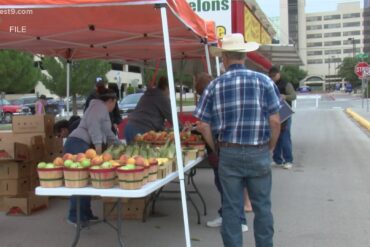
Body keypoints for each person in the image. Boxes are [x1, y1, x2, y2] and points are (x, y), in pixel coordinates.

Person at [194, 33, 281, 247]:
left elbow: (203, 125)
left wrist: (216, 148)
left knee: (231, 209)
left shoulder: (214, 86)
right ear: (244, 54)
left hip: (228, 153)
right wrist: (269, 147)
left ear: (224, 58)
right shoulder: (265, 81)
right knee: (262, 207)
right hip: (258, 150)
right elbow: (276, 121)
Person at [195, 72, 249, 232]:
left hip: (220, 150)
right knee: (230, 186)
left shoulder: (210, 101)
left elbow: (205, 127)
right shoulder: (223, 98)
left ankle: (238, 220)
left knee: (226, 186)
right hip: (231, 147)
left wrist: (213, 148)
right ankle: (229, 216)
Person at [64, 88, 120, 227]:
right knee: (79, 183)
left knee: (86, 182)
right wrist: (99, 152)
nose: (115, 107)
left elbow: (108, 133)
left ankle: (85, 214)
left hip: (82, 144)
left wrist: (121, 146)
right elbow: (94, 129)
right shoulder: (98, 107)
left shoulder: (102, 110)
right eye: (115, 103)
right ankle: (74, 216)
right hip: (77, 144)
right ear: (111, 101)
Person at [124, 76, 172, 144]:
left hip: (129, 128)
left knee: (133, 153)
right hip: (141, 131)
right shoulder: (163, 98)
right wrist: (184, 129)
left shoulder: (147, 94)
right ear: (167, 87)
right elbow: (173, 119)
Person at [268, 66, 297, 169]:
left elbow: (294, 96)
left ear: (278, 74)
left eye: (274, 76)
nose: (272, 78)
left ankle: (288, 160)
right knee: (276, 136)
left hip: (285, 113)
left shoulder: (286, 84)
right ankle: (277, 160)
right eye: (270, 76)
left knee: (285, 137)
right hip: (274, 113)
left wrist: (285, 96)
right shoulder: (270, 84)